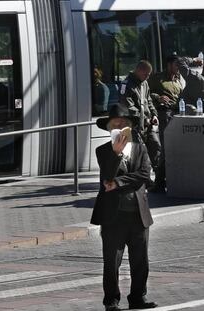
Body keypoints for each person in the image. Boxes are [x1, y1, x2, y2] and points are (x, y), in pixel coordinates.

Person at [92, 104, 157, 311]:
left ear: (130, 127)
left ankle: (138, 297)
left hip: (138, 214)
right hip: (113, 216)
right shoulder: (103, 151)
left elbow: (145, 175)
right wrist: (116, 154)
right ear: (109, 128)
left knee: (141, 262)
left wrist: (119, 183)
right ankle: (111, 301)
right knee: (112, 262)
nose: (120, 127)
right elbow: (107, 177)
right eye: (115, 124)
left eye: (124, 124)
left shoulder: (140, 148)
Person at [119, 60, 161, 180]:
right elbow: (128, 106)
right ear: (138, 70)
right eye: (145, 74)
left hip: (147, 124)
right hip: (133, 125)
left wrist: (154, 114)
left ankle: (159, 179)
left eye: (149, 75)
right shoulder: (125, 85)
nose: (147, 77)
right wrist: (143, 118)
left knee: (155, 147)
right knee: (138, 153)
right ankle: (142, 180)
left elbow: (149, 101)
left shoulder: (145, 83)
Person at [148, 55, 184, 192]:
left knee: (175, 149)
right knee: (166, 148)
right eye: (176, 65)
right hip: (164, 115)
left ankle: (173, 180)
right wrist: (158, 97)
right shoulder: (157, 78)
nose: (178, 68)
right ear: (169, 65)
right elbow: (146, 94)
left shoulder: (179, 80)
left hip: (177, 115)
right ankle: (159, 183)